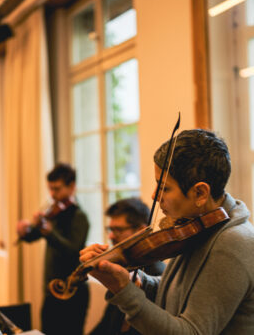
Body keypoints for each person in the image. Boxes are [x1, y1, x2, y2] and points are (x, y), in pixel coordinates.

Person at [80, 129, 254, 335]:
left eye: (164, 187)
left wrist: (124, 292)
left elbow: (191, 331)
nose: (154, 195)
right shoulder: (200, 226)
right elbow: (178, 293)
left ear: (200, 193)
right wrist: (135, 281)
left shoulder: (232, 244)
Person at [17, 163, 89, 335]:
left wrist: (50, 233)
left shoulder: (79, 217)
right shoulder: (54, 213)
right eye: (50, 189)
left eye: (57, 189)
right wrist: (25, 231)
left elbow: (72, 250)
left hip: (72, 291)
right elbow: (34, 236)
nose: (52, 195)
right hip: (51, 289)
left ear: (71, 187)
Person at [89, 197, 165, 335]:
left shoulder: (157, 274)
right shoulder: (124, 268)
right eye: (110, 229)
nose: (111, 236)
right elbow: (106, 325)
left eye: (118, 229)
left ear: (141, 231)